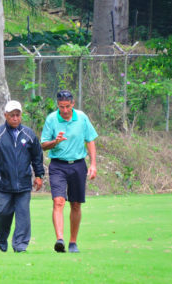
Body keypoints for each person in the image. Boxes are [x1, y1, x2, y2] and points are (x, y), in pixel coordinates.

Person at [0, 100, 45, 253]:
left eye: (18, 115)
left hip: (23, 184)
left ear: (21, 115)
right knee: (1, 214)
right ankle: (2, 236)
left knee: (23, 216)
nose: (15, 118)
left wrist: (39, 175)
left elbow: (37, 156)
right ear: (5, 116)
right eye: (12, 115)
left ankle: (20, 246)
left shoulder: (29, 135)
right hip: (3, 184)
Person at [40, 90, 98, 253]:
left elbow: (90, 141)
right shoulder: (51, 119)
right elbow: (43, 145)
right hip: (58, 165)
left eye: (67, 106)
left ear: (73, 104)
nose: (64, 110)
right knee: (58, 201)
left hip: (78, 165)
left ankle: (73, 242)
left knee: (75, 204)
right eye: (61, 107)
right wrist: (55, 141)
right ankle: (60, 240)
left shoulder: (82, 118)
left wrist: (93, 164)